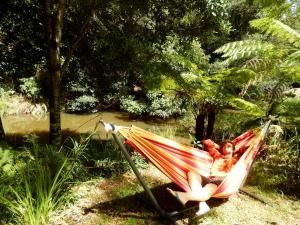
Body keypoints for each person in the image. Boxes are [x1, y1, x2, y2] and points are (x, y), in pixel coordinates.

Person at [167, 139, 238, 216]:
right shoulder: (217, 156)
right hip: (210, 178)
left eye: (229, 146)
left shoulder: (235, 160)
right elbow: (208, 143)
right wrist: (217, 146)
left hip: (222, 181)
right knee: (192, 173)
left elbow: (247, 153)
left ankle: (184, 196)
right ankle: (203, 205)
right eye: (224, 146)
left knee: (208, 188)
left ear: (233, 150)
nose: (226, 146)